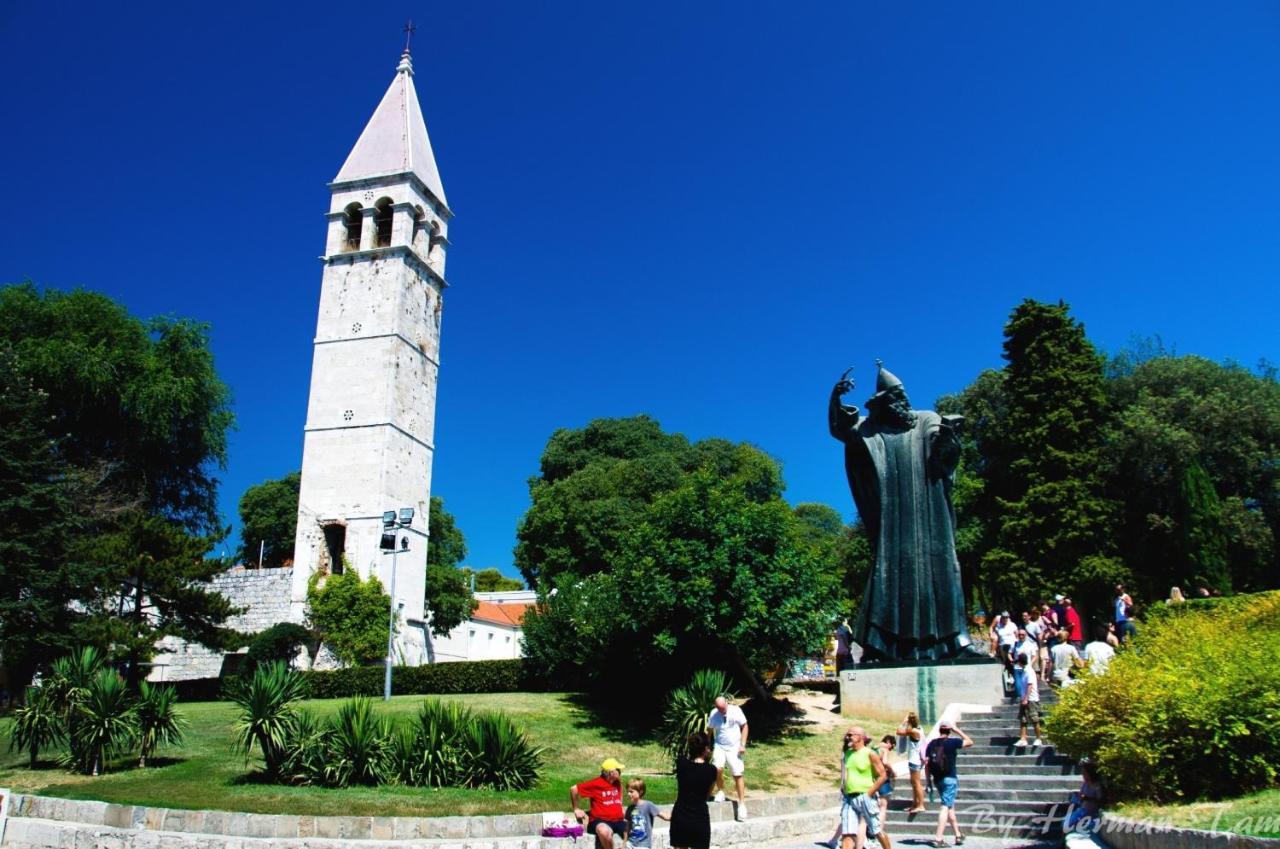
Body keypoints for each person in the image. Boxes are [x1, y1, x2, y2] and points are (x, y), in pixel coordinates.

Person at [828, 363, 975, 661]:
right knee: (889, 575)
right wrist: (835, 399)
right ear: (883, 404)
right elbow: (842, 430)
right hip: (894, 520)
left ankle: (954, 641)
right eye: (896, 399)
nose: (903, 403)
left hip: (930, 515)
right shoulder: (871, 427)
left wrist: (949, 435)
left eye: (904, 397)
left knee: (943, 569)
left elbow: (943, 460)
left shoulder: (926, 420)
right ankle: (880, 646)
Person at [839, 726, 891, 849]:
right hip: (849, 798)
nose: (848, 737)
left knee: (876, 830)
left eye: (851, 735)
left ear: (861, 737)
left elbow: (883, 775)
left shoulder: (870, 754)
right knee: (847, 833)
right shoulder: (847, 754)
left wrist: (869, 793)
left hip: (865, 796)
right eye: (848, 735)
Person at [925, 722, 972, 847]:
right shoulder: (952, 742)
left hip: (937, 779)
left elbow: (927, 763)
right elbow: (969, 741)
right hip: (950, 778)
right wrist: (957, 729)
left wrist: (928, 781)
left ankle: (958, 834)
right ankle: (938, 839)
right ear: (949, 731)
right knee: (945, 806)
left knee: (949, 805)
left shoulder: (931, 743)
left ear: (939, 730)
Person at [669, 732, 718, 849]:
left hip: (680, 815)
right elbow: (707, 794)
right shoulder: (711, 770)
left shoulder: (681, 763)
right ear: (706, 749)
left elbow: (685, 755)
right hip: (699, 817)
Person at [708, 696, 749, 820]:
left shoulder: (736, 710)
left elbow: (745, 726)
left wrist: (742, 744)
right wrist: (708, 746)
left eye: (723, 708)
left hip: (734, 746)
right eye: (719, 709)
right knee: (717, 769)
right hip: (720, 745)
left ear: (726, 703)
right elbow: (709, 730)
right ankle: (720, 791)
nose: (722, 711)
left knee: (737, 774)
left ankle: (742, 804)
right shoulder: (714, 714)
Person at [572, 758, 627, 849]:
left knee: (636, 830)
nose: (620, 772)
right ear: (610, 772)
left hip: (618, 820)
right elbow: (574, 789)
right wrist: (576, 808)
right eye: (618, 770)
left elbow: (619, 799)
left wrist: (622, 810)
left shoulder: (617, 783)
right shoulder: (596, 784)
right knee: (604, 832)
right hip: (600, 821)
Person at [623, 778, 669, 849]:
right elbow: (627, 827)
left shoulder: (648, 805)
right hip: (630, 843)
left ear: (640, 792)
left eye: (631, 792)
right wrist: (624, 843)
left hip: (643, 845)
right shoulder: (630, 808)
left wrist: (680, 814)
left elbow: (665, 816)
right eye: (628, 791)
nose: (628, 794)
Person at [1064, 760, 1105, 834]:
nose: (1083, 775)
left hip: (1092, 812)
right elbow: (1081, 795)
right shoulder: (1085, 784)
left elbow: (1101, 801)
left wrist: (1087, 798)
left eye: (1084, 773)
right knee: (1066, 823)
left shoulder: (1097, 786)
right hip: (1082, 809)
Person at [897, 711, 926, 813]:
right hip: (916, 759)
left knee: (917, 783)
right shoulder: (920, 729)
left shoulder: (913, 731)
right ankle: (915, 804)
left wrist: (903, 722)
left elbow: (899, 731)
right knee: (914, 783)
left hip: (915, 760)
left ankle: (921, 804)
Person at [1013, 654, 1044, 748]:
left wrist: (1026, 698)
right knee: (1023, 719)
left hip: (1031, 699)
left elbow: (1030, 685)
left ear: (1020, 661)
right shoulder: (1024, 671)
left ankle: (1038, 738)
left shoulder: (1029, 671)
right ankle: (1023, 739)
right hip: (1024, 698)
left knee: (1034, 719)